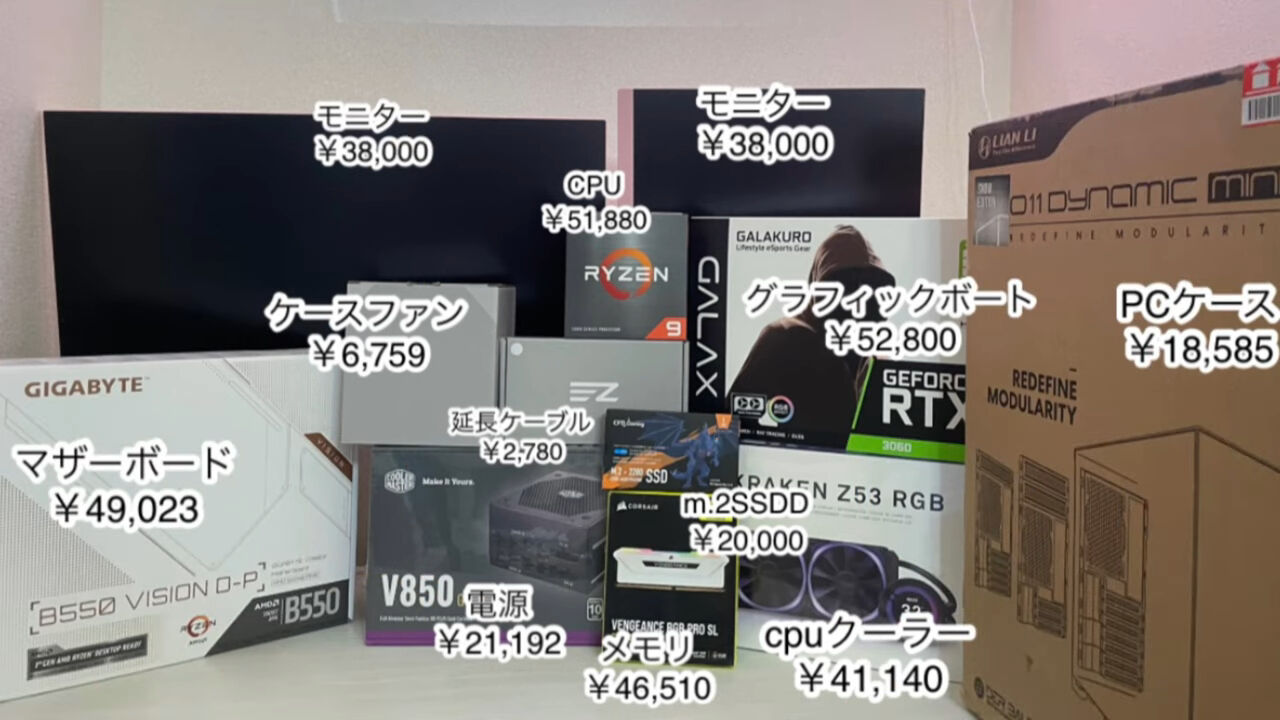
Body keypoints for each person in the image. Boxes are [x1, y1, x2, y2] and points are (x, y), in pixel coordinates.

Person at [729, 225, 896, 441]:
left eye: (868, 287)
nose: (855, 298)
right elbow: (726, 425)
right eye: (844, 285)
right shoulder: (783, 337)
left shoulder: (877, 360)